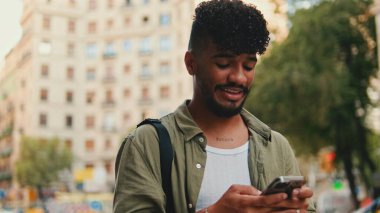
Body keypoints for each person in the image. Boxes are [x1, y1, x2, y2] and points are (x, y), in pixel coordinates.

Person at [113, 0, 315, 212]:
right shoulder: (146, 144)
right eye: (223, 64)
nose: (238, 77)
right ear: (191, 63)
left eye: (248, 66)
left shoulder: (276, 146)